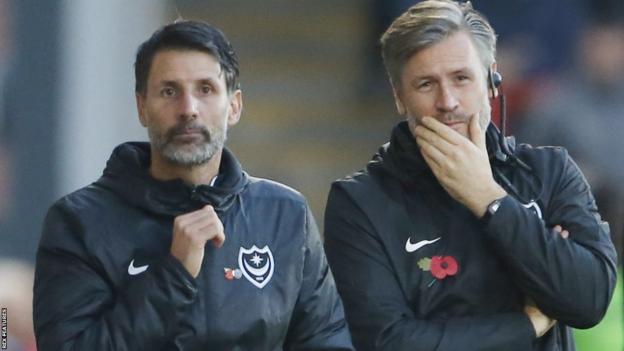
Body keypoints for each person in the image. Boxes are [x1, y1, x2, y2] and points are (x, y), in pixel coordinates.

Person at [33, 21, 353, 351]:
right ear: (142, 107)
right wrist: (173, 274)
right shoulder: (80, 222)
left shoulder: (284, 214)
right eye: (169, 91)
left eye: (205, 89)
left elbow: (327, 340)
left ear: (234, 106)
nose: (188, 109)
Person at [323, 1, 617, 350]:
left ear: (492, 81)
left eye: (461, 78)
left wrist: (490, 200)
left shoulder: (550, 172)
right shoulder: (360, 201)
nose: (448, 101)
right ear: (399, 96)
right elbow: (387, 342)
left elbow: (588, 302)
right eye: (426, 84)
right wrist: (524, 325)